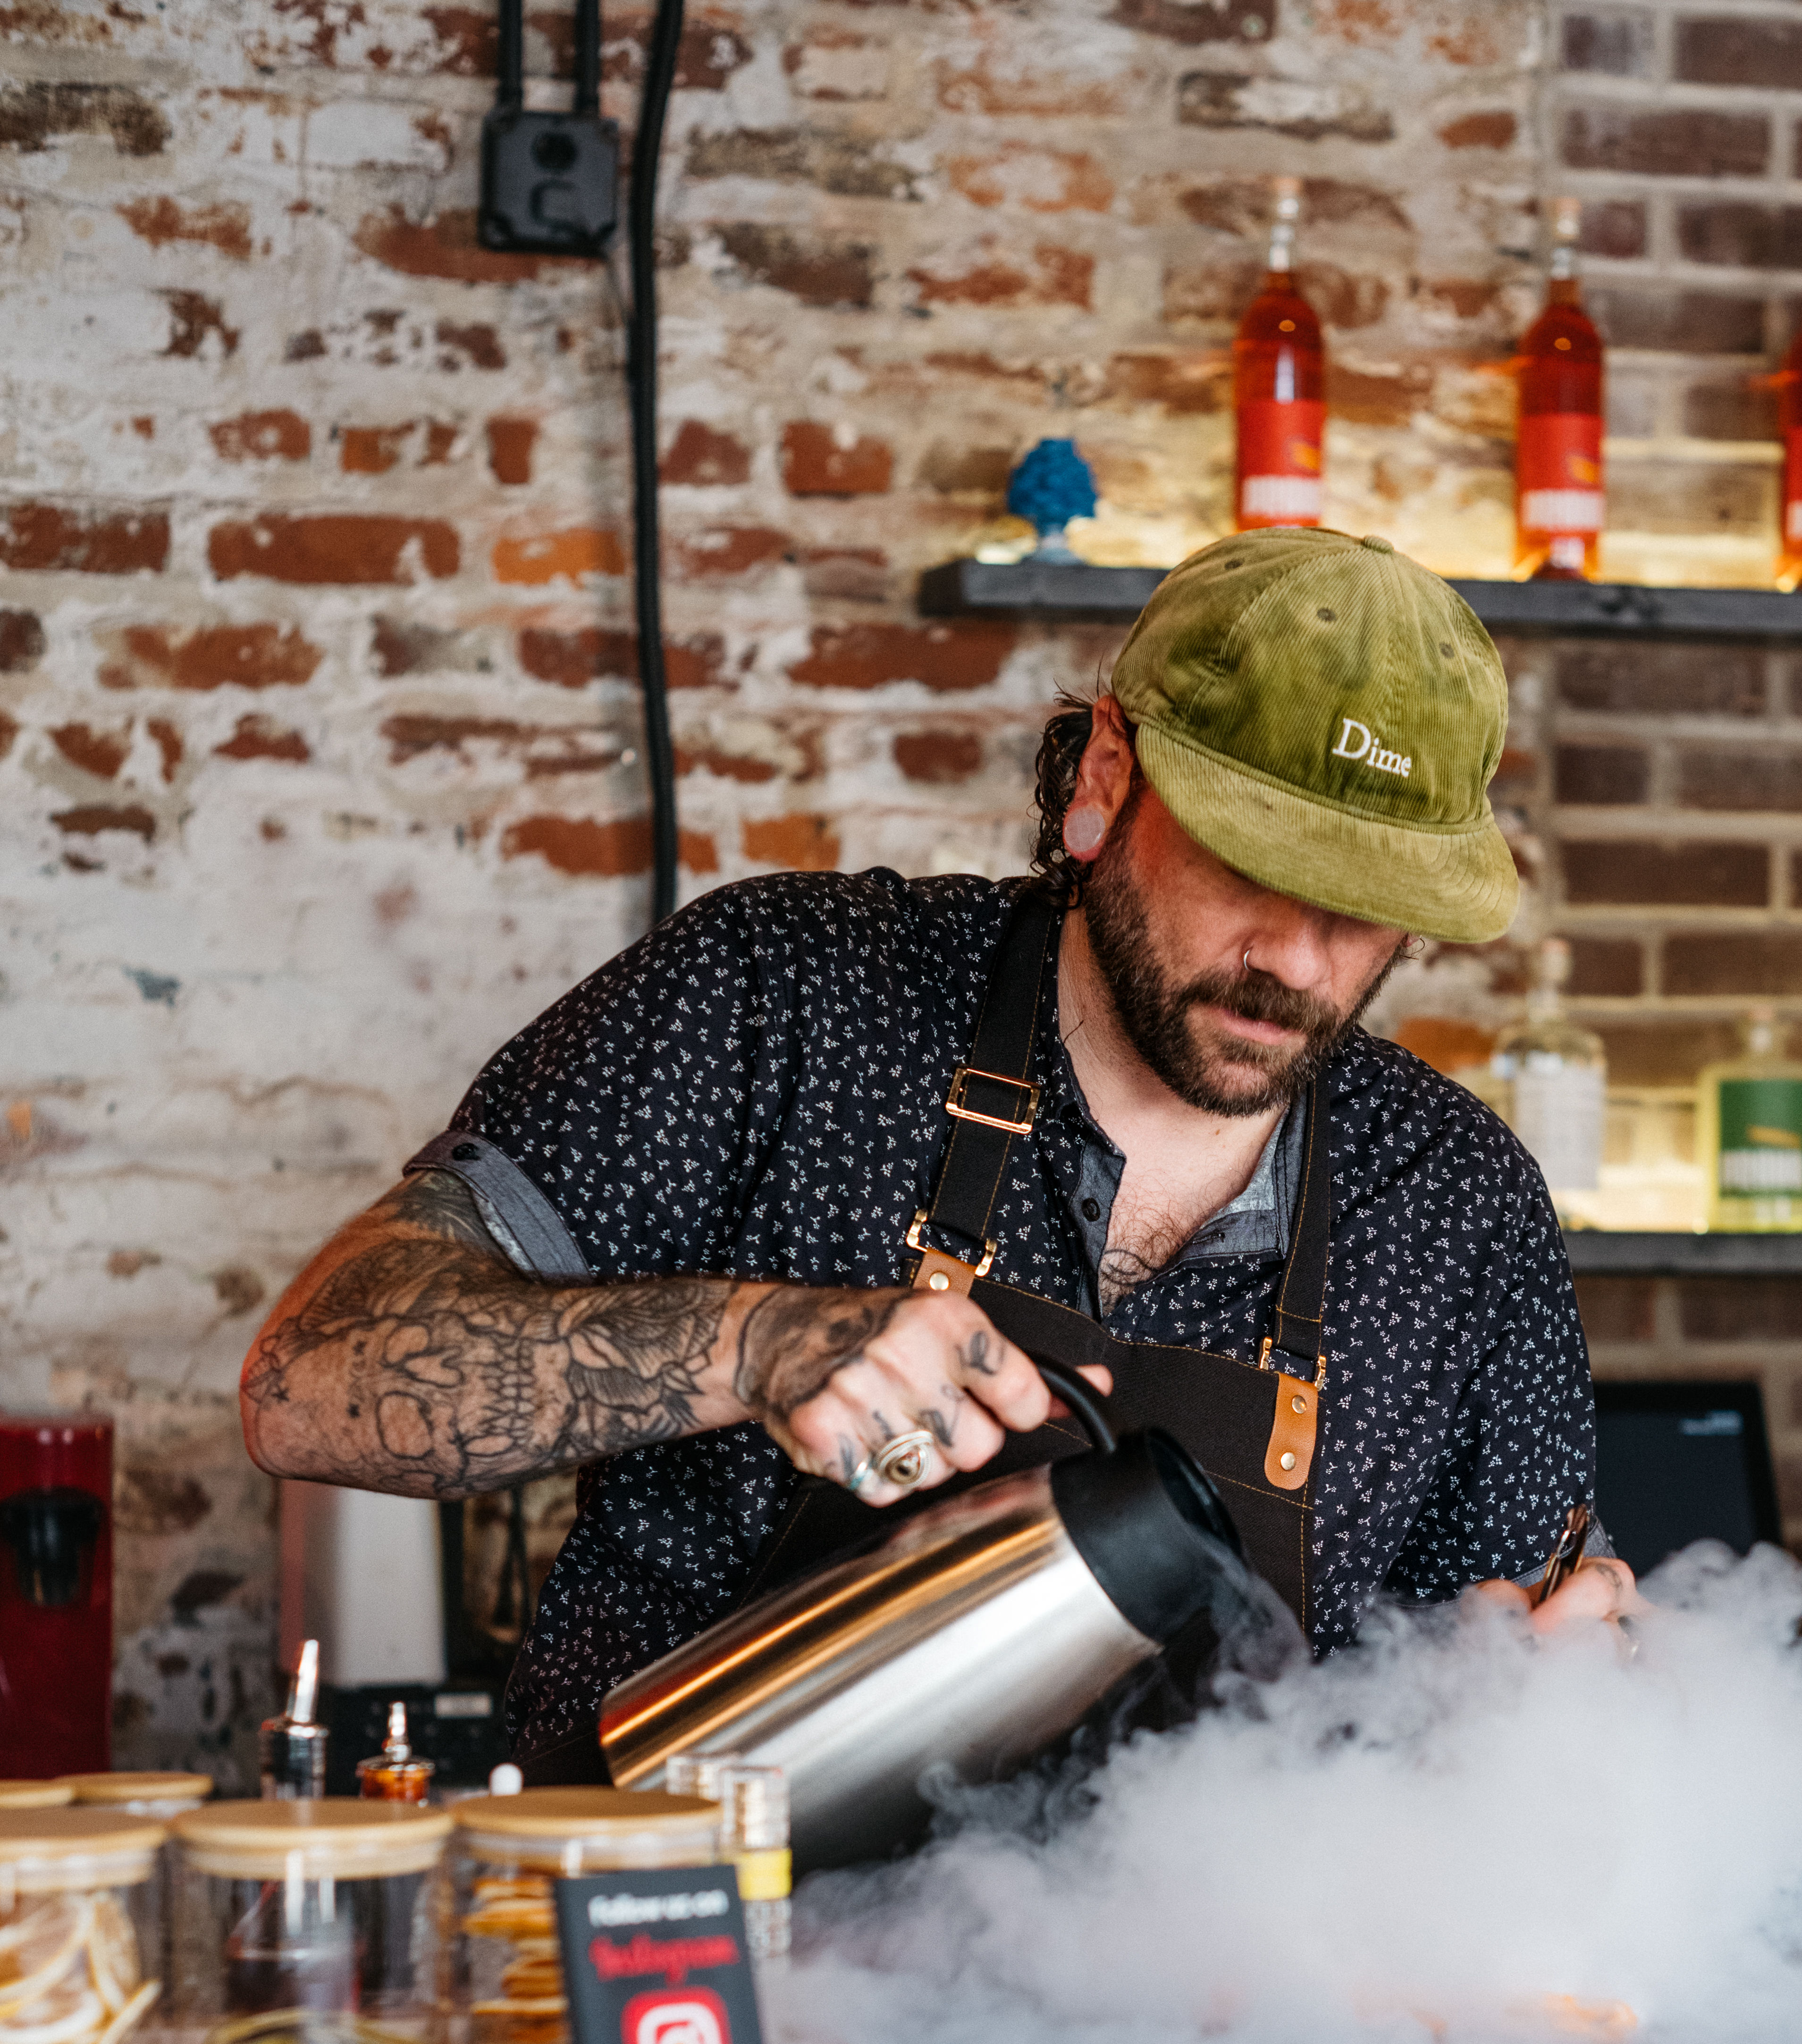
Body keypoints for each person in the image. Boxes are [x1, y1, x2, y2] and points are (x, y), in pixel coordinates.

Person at [242, 529, 1633, 1772]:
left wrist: (1556, 1687)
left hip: (1202, 2010)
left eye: (1363, 911)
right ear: (1106, 774)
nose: (1295, 961)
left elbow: (1499, 1698)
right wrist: (748, 1346)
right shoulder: (788, 998)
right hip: (676, 1975)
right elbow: (305, 1384)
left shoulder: (1457, 1206)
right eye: (1250, 867)